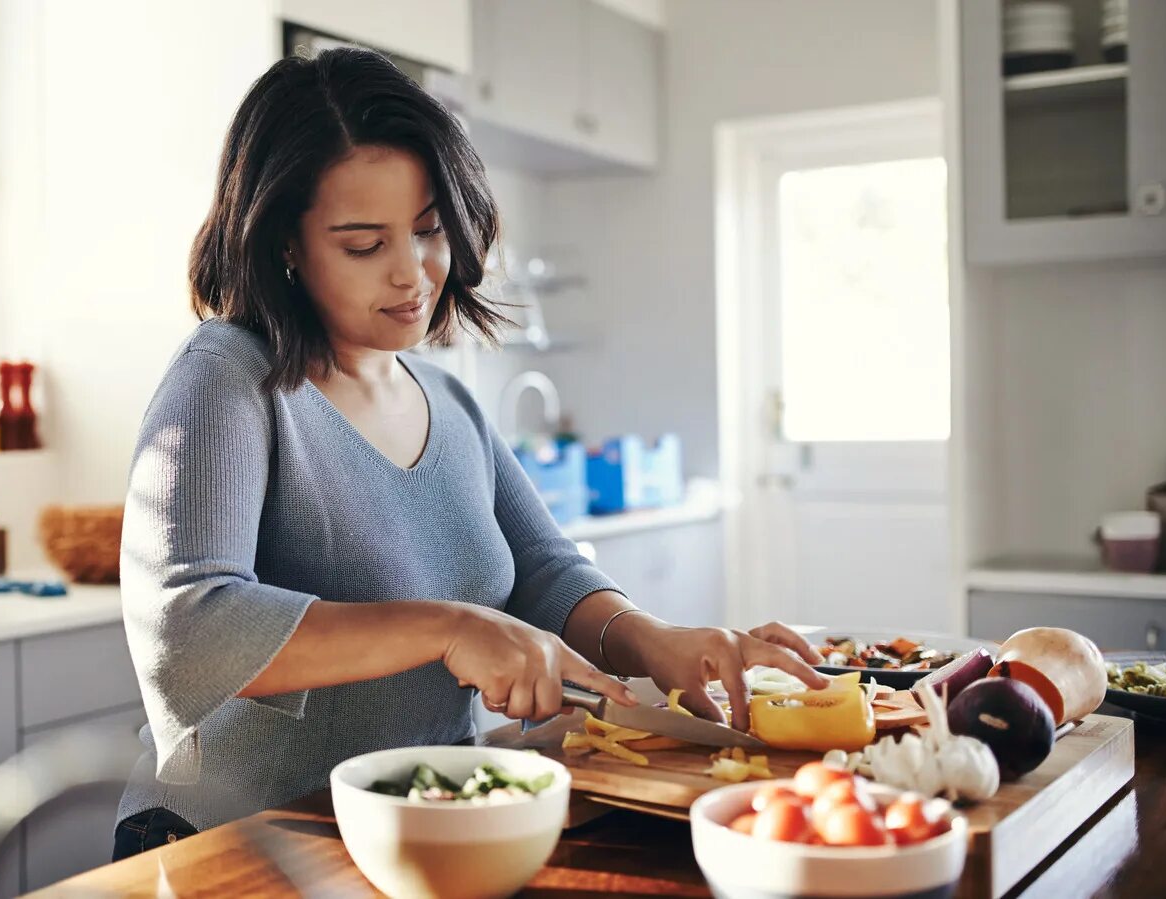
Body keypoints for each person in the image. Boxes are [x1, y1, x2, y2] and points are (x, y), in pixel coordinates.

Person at [113, 47, 826, 861]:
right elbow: (185, 626)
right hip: (240, 841)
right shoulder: (226, 377)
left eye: (428, 230)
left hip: (413, 833)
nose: (413, 273)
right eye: (362, 244)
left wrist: (653, 642)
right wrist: (447, 627)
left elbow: (546, 573)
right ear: (284, 242)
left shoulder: (445, 400)